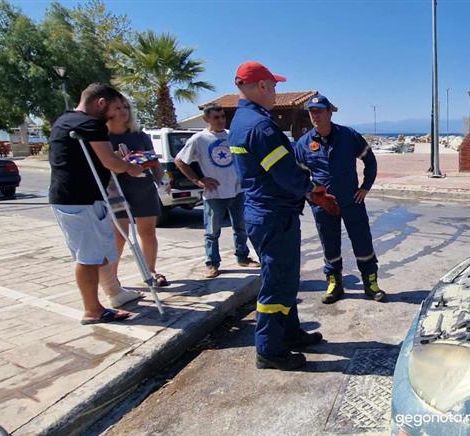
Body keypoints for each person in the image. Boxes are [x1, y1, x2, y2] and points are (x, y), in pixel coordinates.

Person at [228, 61, 339, 370]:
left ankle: (289, 334)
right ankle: (269, 350)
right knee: (277, 283)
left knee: (285, 279)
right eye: (273, 86)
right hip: (274, 215)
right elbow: (287, 174)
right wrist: (315, 189)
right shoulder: (260, 126)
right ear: (261, 86)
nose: (276, 92)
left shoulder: (243, 120)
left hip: (264, 213)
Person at [48, 83, 145, 325]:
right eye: (113, 108)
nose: (114, 114)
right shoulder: (89, 124)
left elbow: (97, 159)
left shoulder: (66, 119)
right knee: (88, 257)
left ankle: (108, 298)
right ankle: (92, 310)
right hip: (78, 200)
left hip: (81, 198)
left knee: (98, 254)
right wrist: (131, 168)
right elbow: (109, 161)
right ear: (101, 103)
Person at [293, 95, 384, 304]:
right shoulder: (303, 144)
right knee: (329, 245)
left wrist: (365, 187)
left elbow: (369, 160)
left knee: (362, 242)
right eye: (312, 112)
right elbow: (298, 177)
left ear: (329, 112)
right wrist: (310, 197)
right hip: (323, 205)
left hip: (352, 202)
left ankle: (371, 283)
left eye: (319, 111)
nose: (315, 116)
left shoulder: (348, 135)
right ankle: (334, 283)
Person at [175, 103, 260, 278]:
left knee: (241, 227)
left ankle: (243, 257)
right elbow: (180, 161)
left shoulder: (232, 135)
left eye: (222, 117)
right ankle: (212, 263)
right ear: (206, 119)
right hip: (215, 194)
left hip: (237, 191)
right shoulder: (199, 139)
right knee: (212, 232)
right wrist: (197, 180)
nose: (221, 120)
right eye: (216, 117)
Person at [97, 96, 164, 308]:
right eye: (117, 107)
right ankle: (112, 281)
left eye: (126, 106)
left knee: (148, 231)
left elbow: (154, 161)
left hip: (143, 188)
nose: (123, 111)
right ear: (107, 111)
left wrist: (160, 178)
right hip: (116, 190)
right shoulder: (101, 137)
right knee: (119, 234)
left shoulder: (139, 135)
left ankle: (150, 271)